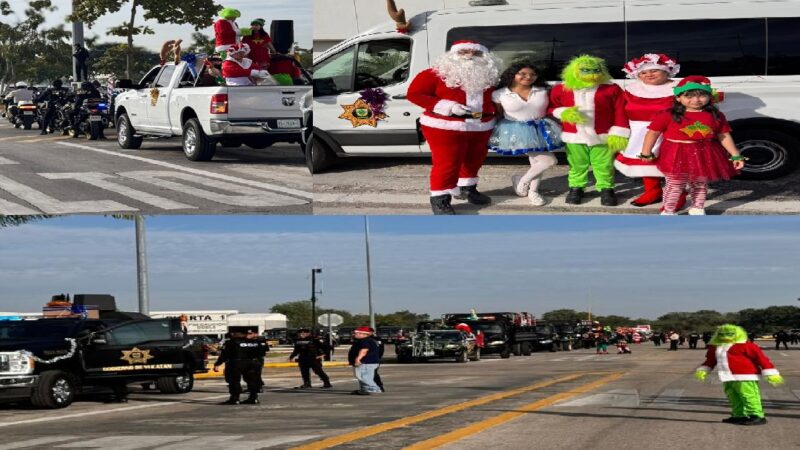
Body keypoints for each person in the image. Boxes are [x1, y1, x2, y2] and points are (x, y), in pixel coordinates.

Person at [407, 40, 500, 214]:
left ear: (485, 57)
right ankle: (440, 198)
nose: (470, 56)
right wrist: (447, 106)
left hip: (480, 126)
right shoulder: (434, 74)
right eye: (464, 52)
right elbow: (414, 94)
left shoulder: (490, 76)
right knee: (447, 162)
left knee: (474, 159)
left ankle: (467, 188)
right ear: (453, 54)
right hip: (445, 127)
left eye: (476, 53)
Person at [639, 76, 744, 215]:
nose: (696, 100)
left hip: (704, 153)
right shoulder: (668, 114)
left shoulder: (715, 115)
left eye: (701, 95)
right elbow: (652, 133)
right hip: (676, 153)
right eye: (689, 96)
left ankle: (697, 208)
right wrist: (646, 152)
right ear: (678, 97)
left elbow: (723, 135)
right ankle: (668, 211)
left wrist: (736, 155)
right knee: (675, 185)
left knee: (700, 184)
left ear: (709, 96)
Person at [548, 55, 630, 206]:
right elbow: (551, 107)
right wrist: (563, 112)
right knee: (577, 164)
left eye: (595, 70)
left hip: (603, 135)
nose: (592, 74)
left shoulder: (611, 88)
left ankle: (606, 189)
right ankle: (576, 187)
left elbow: (620, 111)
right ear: (575, 71)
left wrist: (619, 132)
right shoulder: (561, 89)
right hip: (574, 135)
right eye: (586, 70)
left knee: (604, 164)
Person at [615, 53, 687, 209]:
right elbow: (620, 112)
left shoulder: (679, 89)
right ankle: (653, 192)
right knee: (645, 162)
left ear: (666, 71)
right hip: (639, 133)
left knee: (672, 166)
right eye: (644, 72)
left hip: (670, 132)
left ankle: (677, 195)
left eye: (654, 70)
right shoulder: (631, 90)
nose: (648, 74)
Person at [489, 60, 562, 206]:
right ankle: (523, 182)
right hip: (515, 129)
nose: (528, 77)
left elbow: (553, 106)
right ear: (513, 75)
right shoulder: (499, 94)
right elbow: (499, 114)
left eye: (532, 74)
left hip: (542, 127)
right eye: (522, 74)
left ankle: (532, 190)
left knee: (537, 162)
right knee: (549, 161)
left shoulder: (543, 90)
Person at [695, 324, 783, 425]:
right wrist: (704, 369)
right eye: (722, 334)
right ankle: (738, 415)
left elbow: (761, 359)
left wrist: (769, 371)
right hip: (727, 376)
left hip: (746, 376)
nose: (725, 336)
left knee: (748, 396)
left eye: (729, 334)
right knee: (733, 396)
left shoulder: (747, 345)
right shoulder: (716, 347)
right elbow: (710, 360)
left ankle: (757, 415)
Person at [213, 329, 268, 405]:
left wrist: (217, 364)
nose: (232, 334)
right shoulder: (256, 342)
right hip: (254, 363)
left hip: (236, 363)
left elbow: (225, 355)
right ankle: (253, 398)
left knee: (234, 381)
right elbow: (262, 352)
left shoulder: (232, 342)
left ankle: (235, 399)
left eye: (233, 332)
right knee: (252, 380)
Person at [347, 326, 382, 395]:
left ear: (364, 334)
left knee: (364, 376)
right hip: (368, 362)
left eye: (356, 333)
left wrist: (358, 359)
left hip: (366, 362)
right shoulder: (365, 340)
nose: (354, 334)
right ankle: (364, 389)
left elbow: (364, 350)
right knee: (362, 376)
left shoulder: (365, 340)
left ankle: (373, 389)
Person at [368, 327, 386, 392]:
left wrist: (378, 357)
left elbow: (381, 349)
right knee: (367, 374)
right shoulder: (364, 339)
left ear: (372, 332)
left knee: (373, 373)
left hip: (374, 359)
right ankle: (369, 387)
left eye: (369, 332)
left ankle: (379, 386)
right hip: (367, 359)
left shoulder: (377, 339)